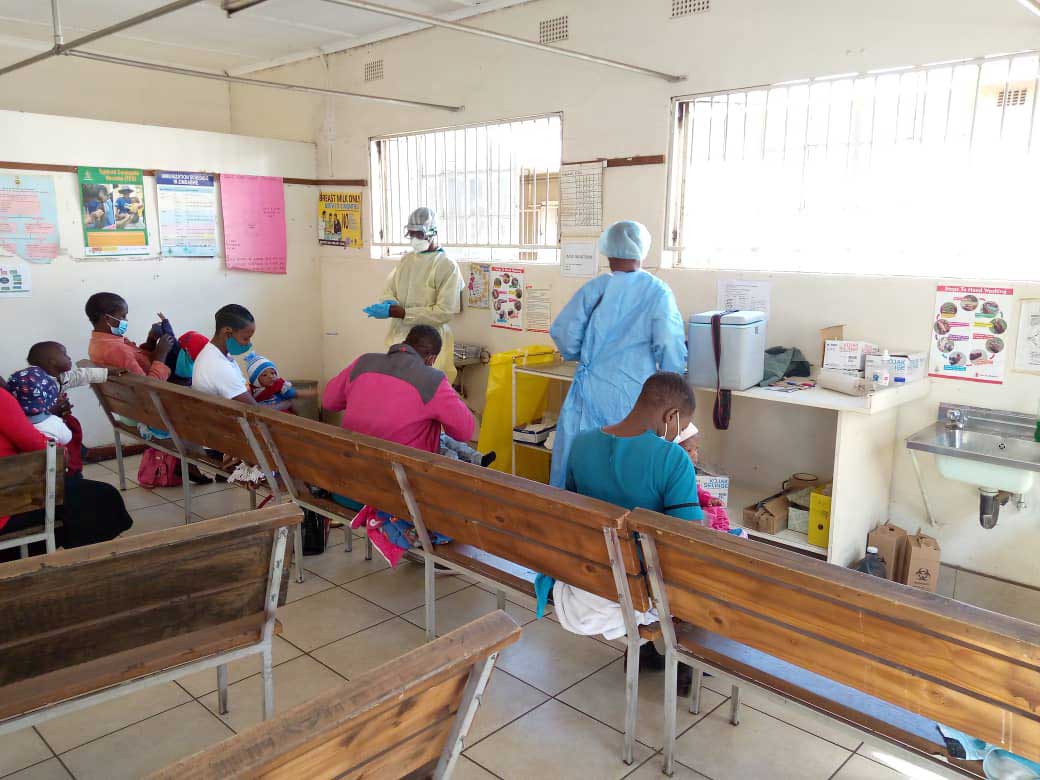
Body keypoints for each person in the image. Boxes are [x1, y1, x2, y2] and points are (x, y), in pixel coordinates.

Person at [548, 372, 702, 693]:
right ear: (671, 417)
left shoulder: (582, 443)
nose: (679, 433)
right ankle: (686, 664)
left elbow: (573, 511)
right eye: (682, 425)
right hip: (644, 588)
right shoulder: (672, 458)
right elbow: (691, 543)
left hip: (593, 573)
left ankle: (645, 653)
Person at [548, 220, 687, 488]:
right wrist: (674, 382)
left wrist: (585, 356)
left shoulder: (596, 287)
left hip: (589, 392)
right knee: (627, 470)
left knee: (578, 465)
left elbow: (564, 334)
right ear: (642, 252)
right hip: (634, 394)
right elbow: (670, 347)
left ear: (608, 251)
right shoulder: (657, 292)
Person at [323, 325, 475, 565]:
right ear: (432, 358)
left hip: (348, 486)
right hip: (400, 496)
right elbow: (465, 431)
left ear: (404, 343)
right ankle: (437, 552)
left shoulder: (363, 363)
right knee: (463, 487)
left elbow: (329, 401)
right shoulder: (431, 379)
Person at [0, 383, 132, 555]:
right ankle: (80, 565)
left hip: (10, 494)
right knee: (102, 498)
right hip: (7, 510)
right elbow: (44, 449)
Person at [363, 207, 465, 384]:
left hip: (429, 345)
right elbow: (390, 289)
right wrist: (389, 304)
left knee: (425, 393)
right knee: (397, 392)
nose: (415, 239)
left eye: (419, 234)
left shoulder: (447, 266)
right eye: (411, 234)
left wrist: (403, 313)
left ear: (433, 233)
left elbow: (444, 312)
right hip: (400, 339)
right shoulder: (407, 260)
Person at [26, 341, 108, 476]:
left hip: (61, 423)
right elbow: (30, 413)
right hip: (46, 430)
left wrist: (108, 373)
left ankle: (74, 467)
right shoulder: (34, 384)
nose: (69, 358)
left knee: (71, 441)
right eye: (64, 354)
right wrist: (52, 411)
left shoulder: (61, 377)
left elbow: (81, 375)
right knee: (64, 453)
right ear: (52, 362)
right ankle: (69, 472)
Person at [86, 292, 173, 381]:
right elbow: (148, 387)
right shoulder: (117, 350)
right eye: (123, 316)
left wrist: (150, 341)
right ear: (107, 318)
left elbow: (137, 360)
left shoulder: (97, 343)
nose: (126, 320)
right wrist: (161, 356)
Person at [192, 304, 256, 404]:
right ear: (227, 332)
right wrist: (288, 402)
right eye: (245, 338)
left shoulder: (214, 352)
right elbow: (255, 410)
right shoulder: (218, 366)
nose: (248, 343)